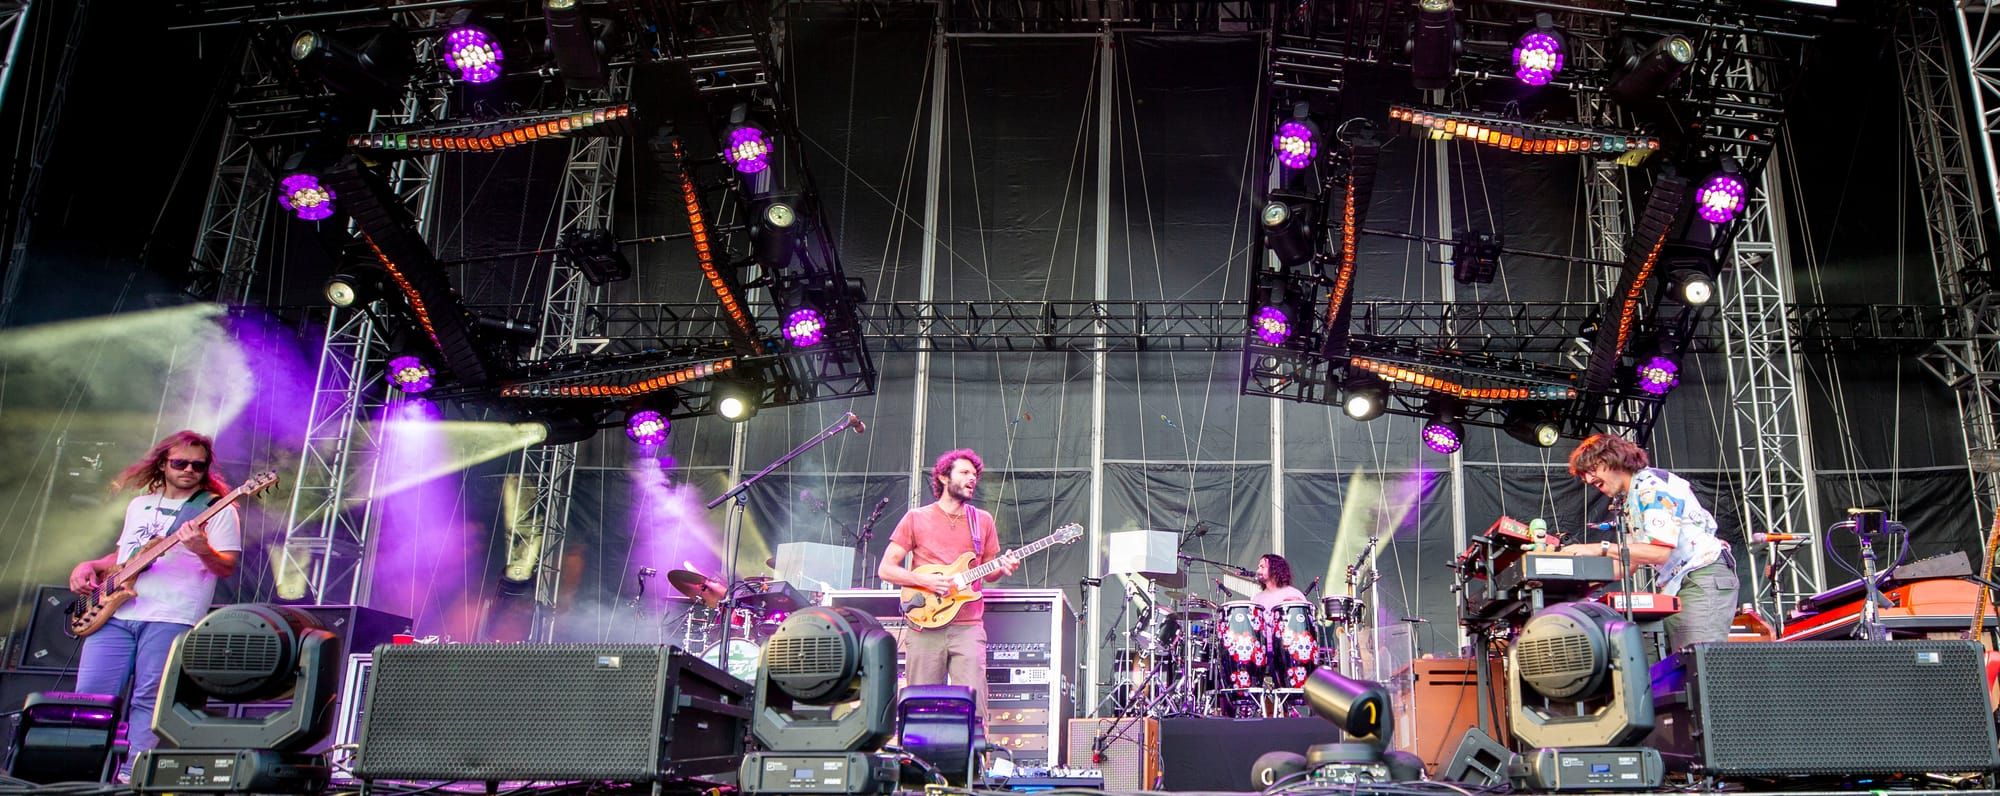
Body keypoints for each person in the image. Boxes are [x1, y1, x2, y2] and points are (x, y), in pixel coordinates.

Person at [68, 431, 241, 777]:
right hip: (115, 611)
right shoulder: (141, 504)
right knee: (91, 697)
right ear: (163, 464)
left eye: (198, 465)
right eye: (180, 463)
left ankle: (134, 773)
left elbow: (227, 566)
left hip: (172, 615)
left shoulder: (217, 510)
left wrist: (203, 549)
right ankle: (80, 770)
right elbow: (126, 554)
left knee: (150, 698)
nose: (189, 469)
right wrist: (91, 566)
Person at [1540, 433, 1737, 651]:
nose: (1587, 479)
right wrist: (1574, 579)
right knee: (1670, 663)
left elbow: (1659, 553)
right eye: (1584, 475)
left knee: (1697, 664)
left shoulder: (1651, 487)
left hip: (1703, 575)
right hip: (1680, 582)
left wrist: (1597, 548)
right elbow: (1628, 564)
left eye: (1591, 469)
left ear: (1613, 459)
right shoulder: (1629, 498)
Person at [878, 449, 1018, 718]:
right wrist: (925, 581)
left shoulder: (983, 521)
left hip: (968, 626)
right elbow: (886, 569)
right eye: (964, 473)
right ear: (943, 477)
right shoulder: (916, 518)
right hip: (924, 625)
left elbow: (987, 573)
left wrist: (1002, 567)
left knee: (975, 706)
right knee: (920, 706)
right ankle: (918, 760)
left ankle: (977, 760)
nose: (972, 479)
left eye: (975, 475)